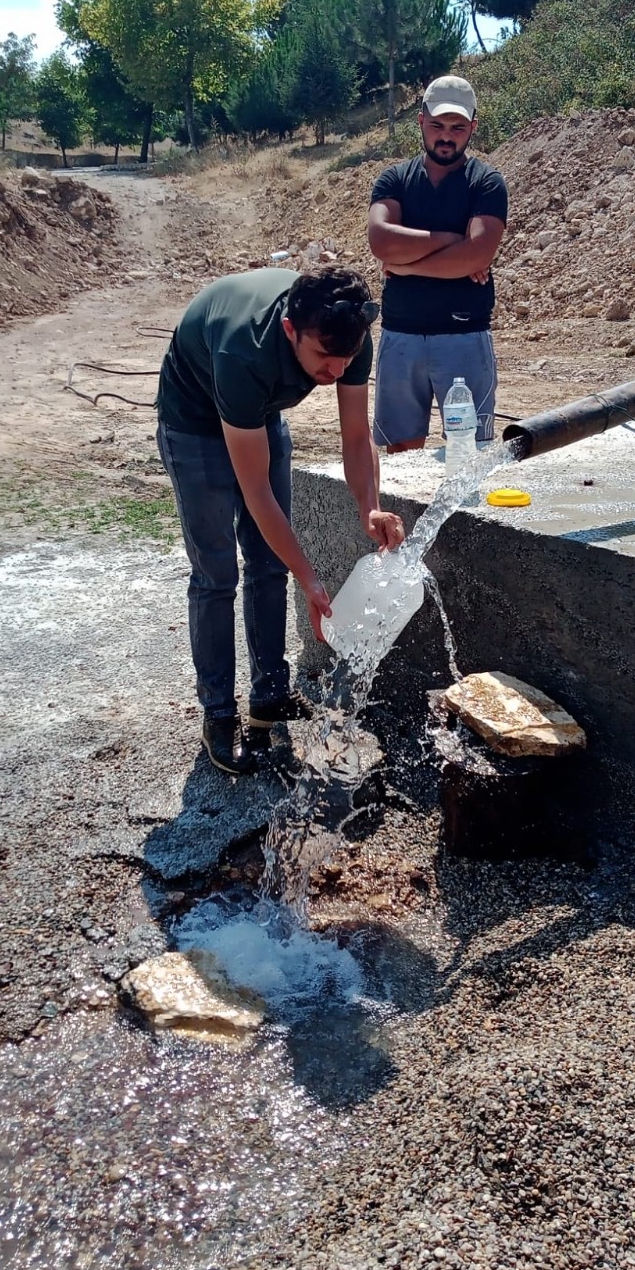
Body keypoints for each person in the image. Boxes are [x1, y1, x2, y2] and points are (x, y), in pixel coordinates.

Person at [156, 265, 405, 777]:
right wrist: (310, 579)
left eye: (346, 360)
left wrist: (370, 508)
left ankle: (269, 693)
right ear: (291, 330)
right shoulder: (242, 352)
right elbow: (257, 493)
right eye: (323, 359)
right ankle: (219, 714)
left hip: (258, 413)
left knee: (269, 561)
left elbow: (357, 438)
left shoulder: (349, 333)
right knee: (216, 573)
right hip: (195, 421)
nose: (336, 372)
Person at [367, 75, 509, 453]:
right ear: (421, 121)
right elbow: (381, 240)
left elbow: (477, 255)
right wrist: (450, 242)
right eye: (438, 126)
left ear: (473, 127)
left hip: (463, 335)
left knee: (469, 456)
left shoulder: (486, 183)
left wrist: (407, 264)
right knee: (400, 455)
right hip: (402, 335)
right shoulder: (394, 180)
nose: (447, 136)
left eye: (458, 127)